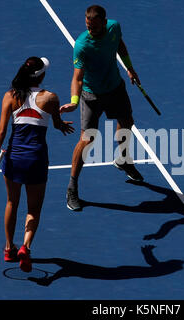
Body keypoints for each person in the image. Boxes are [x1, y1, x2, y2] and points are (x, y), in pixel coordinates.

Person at [0, 56, 74, 272]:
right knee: (33, 209)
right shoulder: (51, 98)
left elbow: (1, 131)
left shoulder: (10, 96)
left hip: (14, 158)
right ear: (42, 76)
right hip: (36, 159)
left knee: (11, 203)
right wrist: (61, 122)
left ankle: (9, 249)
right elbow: (56, 124)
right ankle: (25, 247)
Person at [60, 5, 143, 211]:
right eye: (88, 26)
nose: (91, 30)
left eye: (95, 27)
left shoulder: (114, 28)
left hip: (115, 88)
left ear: (104, 22)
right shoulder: (82, 45)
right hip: (91, 95)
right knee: (88, 139)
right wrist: (74, 100)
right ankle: (72, 187)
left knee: (127, 123)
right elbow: (77, 78)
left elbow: (119, 45)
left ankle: (123, 160)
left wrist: (129, 68)